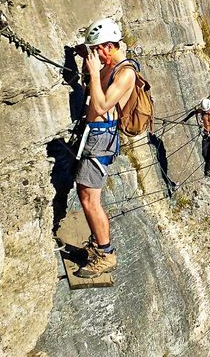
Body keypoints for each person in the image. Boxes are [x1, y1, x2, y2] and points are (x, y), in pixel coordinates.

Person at [73, 18, 136, 278]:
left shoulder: (125, 73)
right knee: (85, 195)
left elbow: (101, 106)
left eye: (98, 49)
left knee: (90, 199)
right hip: (94, 135)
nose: (95, 55)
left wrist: (95, 72)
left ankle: (106, 254)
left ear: (110, 47)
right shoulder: (110, 64)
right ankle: (101, 245)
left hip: (101, 139)